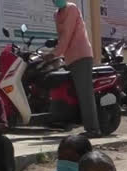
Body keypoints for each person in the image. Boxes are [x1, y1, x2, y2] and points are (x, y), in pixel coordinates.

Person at [45, 0, 100, 136]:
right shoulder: (56, 14)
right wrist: (54, 52)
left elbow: (67, 34)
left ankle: (93, 130)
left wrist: (54, 54)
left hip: (81, 55)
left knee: (85, 94)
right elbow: (61, 36)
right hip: (69, 57)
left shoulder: (72, 8)